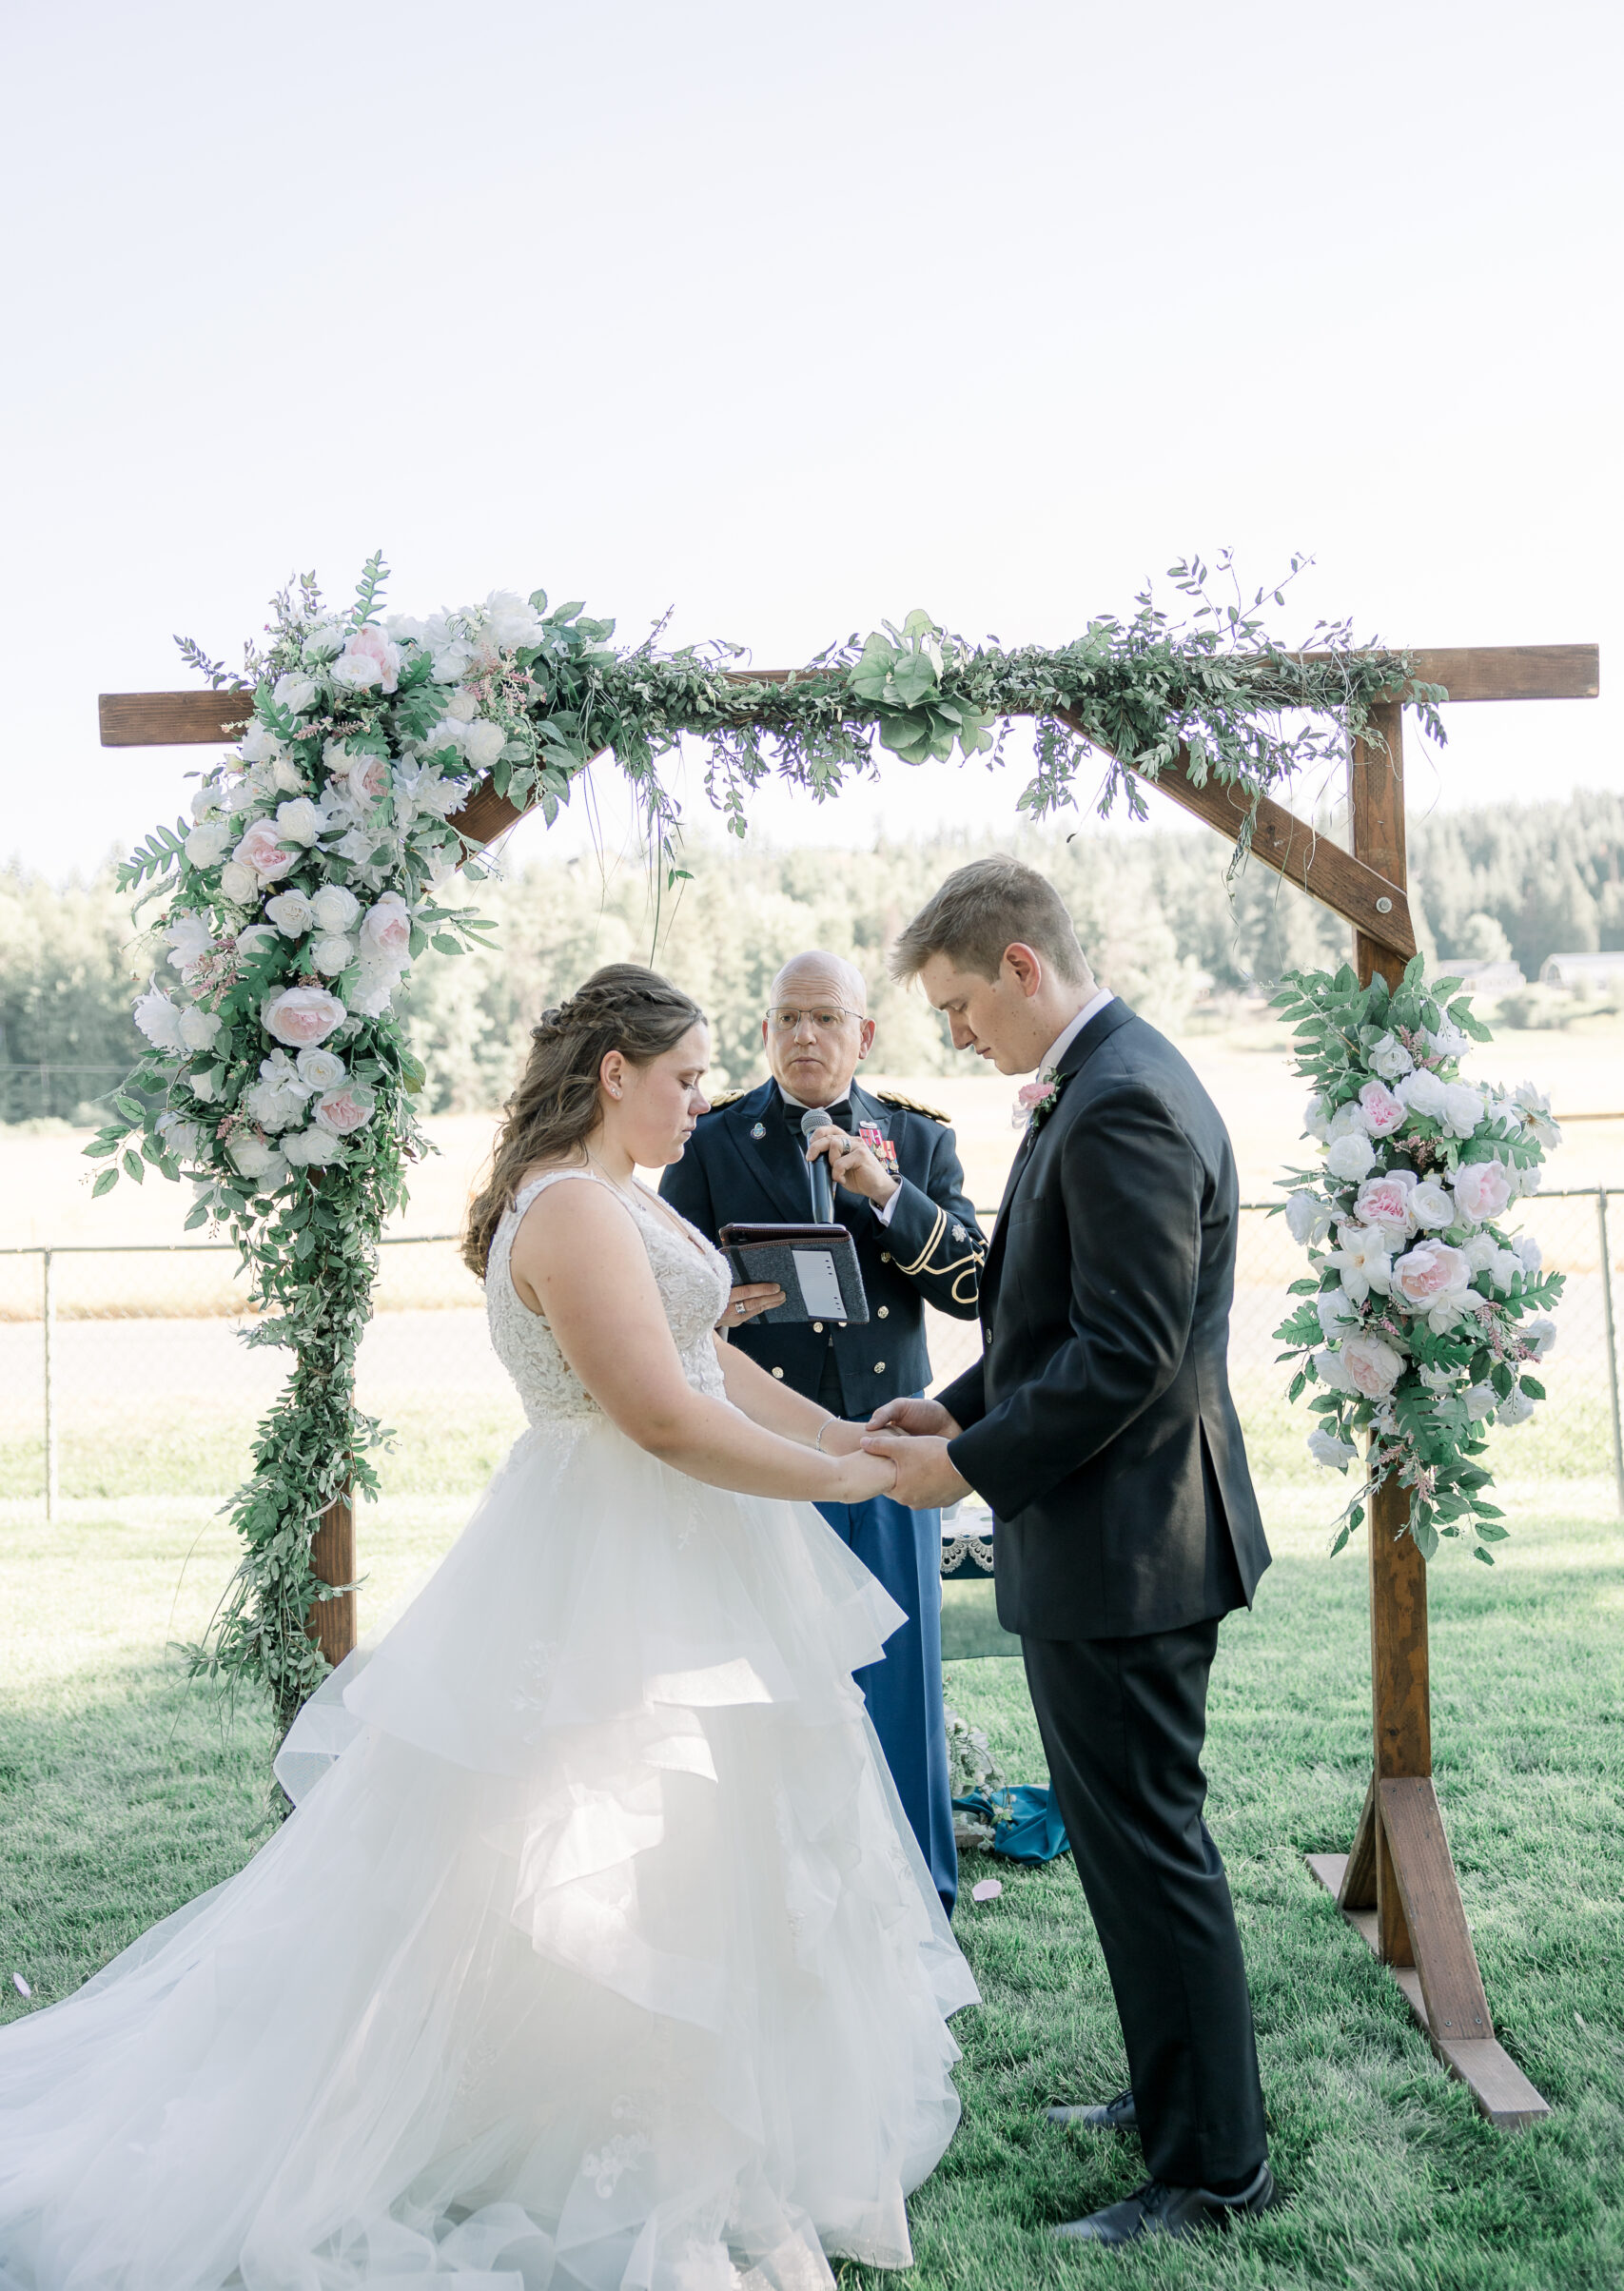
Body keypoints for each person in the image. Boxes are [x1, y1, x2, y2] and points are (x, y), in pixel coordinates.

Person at [0, 964, 976, 2291]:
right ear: (611, 1073)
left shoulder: (617, 1199)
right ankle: (588, 2123)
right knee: (589, 1846)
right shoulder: (571, 1212)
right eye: (683, 1077)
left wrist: (843, 1429)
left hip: (689, 1552)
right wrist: (851, 1482)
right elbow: (661, 1417)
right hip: (614, 1556)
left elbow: (714, 1364)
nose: (701, 1099)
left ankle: (715, 2121)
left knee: (718, 1845)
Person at [864, 859, 1277, 2247]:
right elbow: (1049, 1322)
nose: (959, 1035)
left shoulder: (1120, 1103)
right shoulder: (1093, 1083)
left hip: (1131, 1550)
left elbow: (1127, 1353)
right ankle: (1168, 2102)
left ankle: (1210, 2172)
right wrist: (958, 1402)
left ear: (1019, 969)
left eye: (960, 1005)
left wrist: (960, 1468)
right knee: (1116, 1848)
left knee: (1150, 1852)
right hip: (1105, 1542)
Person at [660, 950, 986, 1914]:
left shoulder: (918, 1142)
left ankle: (915, 1890)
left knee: (898, 1676)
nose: (806, 1035)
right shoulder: (713, 1140)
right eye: (788, 1017)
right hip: (763, 1452)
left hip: (890, 1449)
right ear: (765, 1032)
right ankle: (781, 1892)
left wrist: (883, 1191)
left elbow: (975, 1284)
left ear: (864, 1035)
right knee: (770, 1671)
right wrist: (713, 1310)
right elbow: (665, 1293)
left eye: (826, 1018)